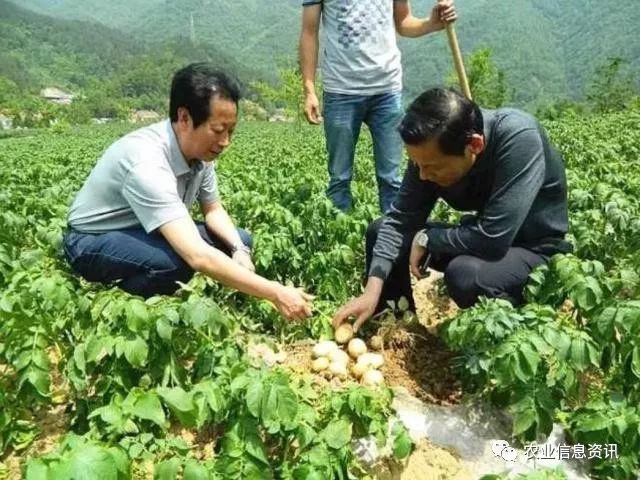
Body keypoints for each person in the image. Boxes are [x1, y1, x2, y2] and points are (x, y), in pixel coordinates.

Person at [63, 63, 312, 321]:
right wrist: (275, 292)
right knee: (174, 262)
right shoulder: (146, 162)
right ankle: (121, 312)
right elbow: (196, 255)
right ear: (184, 118)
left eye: (231, 131)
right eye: (217, 130)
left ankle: (166, 291)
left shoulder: (201, 155)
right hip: (92, 240)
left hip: (147, 229)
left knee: (239, 240)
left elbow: (213, 209)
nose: (225, 141)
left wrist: (239, 249)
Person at [333, 87, 573, 331]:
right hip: (481, 240)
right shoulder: (432, 151)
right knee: (380, 229)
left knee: (466, 276)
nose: (423, 176)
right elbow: (400, 221)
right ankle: (397, 326)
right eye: (418, 165)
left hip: (533, 250)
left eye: (434, 168)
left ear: (475, 145)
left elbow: (493, 239)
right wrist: (372, 290)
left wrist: (429, 239)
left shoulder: (518, 138)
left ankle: (519, 336)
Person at [299, 0, 457, 213]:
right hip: (341, 89)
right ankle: (337, 237)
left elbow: (403, 23)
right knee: (339, 177)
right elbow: (309, 32)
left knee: (391, 178)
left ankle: (391, 236)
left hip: (387, 89)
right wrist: (309, 89)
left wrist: (431, 23)